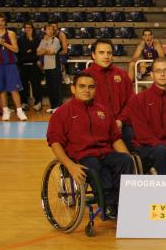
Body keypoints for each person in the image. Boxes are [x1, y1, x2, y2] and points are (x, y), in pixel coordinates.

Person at [46, 73, 134, 219]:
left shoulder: (103, 111)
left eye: (91, 87)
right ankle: (108, 205)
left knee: (124, 160)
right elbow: (55, 143)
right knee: (94, 165)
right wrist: (70, 166)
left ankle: (124, 203)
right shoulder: (62, 113)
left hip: (105, 153)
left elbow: (115, 138)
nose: (87, 90)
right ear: (73, 89)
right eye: (82, 86)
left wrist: (127, 155)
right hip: (81, 156)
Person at [84, 38, 134, 146]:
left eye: (109, 53)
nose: (106, 56)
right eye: (101, 53)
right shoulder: (84, 77)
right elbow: (81, 106)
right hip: (95, 127)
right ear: (93, 55)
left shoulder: (122, 75)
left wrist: (120, 121)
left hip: (121, 126)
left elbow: (131, 102)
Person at [0, 14, 26, 121]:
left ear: (5, 22)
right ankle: (5, 110)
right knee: (2, 89)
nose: (0, 23)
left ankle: (19, 111)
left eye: (2, 21)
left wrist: (4, 43)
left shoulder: (11, 33)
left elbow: (16, 49)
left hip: (10, 64)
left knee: (14, 88)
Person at [37, 24, 63, 114]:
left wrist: (44, 50)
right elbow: (38, 52)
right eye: (48, 29)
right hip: (47, 66)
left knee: (56, 87)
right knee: (50, 87)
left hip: (55, 65)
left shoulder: (56, 40)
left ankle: (58, 106)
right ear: (45, 31)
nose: (50, 31)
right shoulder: (43, 40)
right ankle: (53, 106)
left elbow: (52, 52)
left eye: (52, 29)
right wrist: (45, 50)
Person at [17, 22, 42, 111]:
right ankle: (24, 103)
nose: (28, 29)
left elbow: (37, 50)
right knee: (23, 85)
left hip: (34, 65)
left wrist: (30, 49)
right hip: (23, 65)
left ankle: (38, 102)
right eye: (26, 27)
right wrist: (28, 51)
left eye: (30, 27)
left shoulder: (37, 38)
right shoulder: (20, 39)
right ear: (24, 28)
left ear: (32, 28)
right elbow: (19, 52)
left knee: (36, 85)